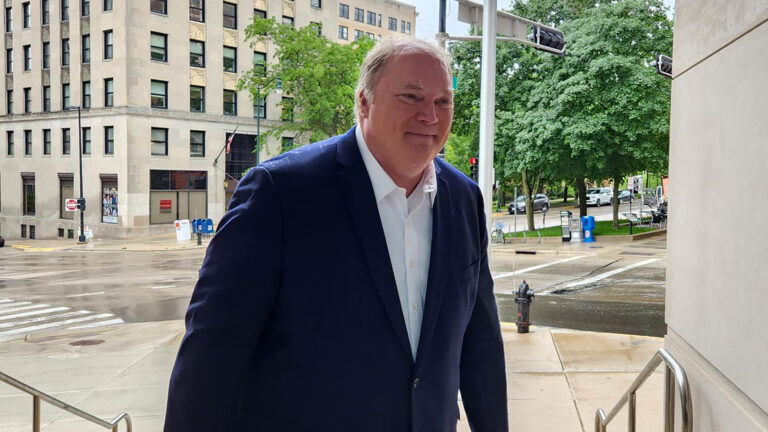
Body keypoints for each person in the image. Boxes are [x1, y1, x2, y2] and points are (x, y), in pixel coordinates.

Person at [164, 37, 508, 432]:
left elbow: (480, 344)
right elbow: (211, 357)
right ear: (364, 103)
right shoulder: (280, 194)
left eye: (442, 101)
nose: (429, 116)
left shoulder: (465, 199)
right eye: (411, 97)